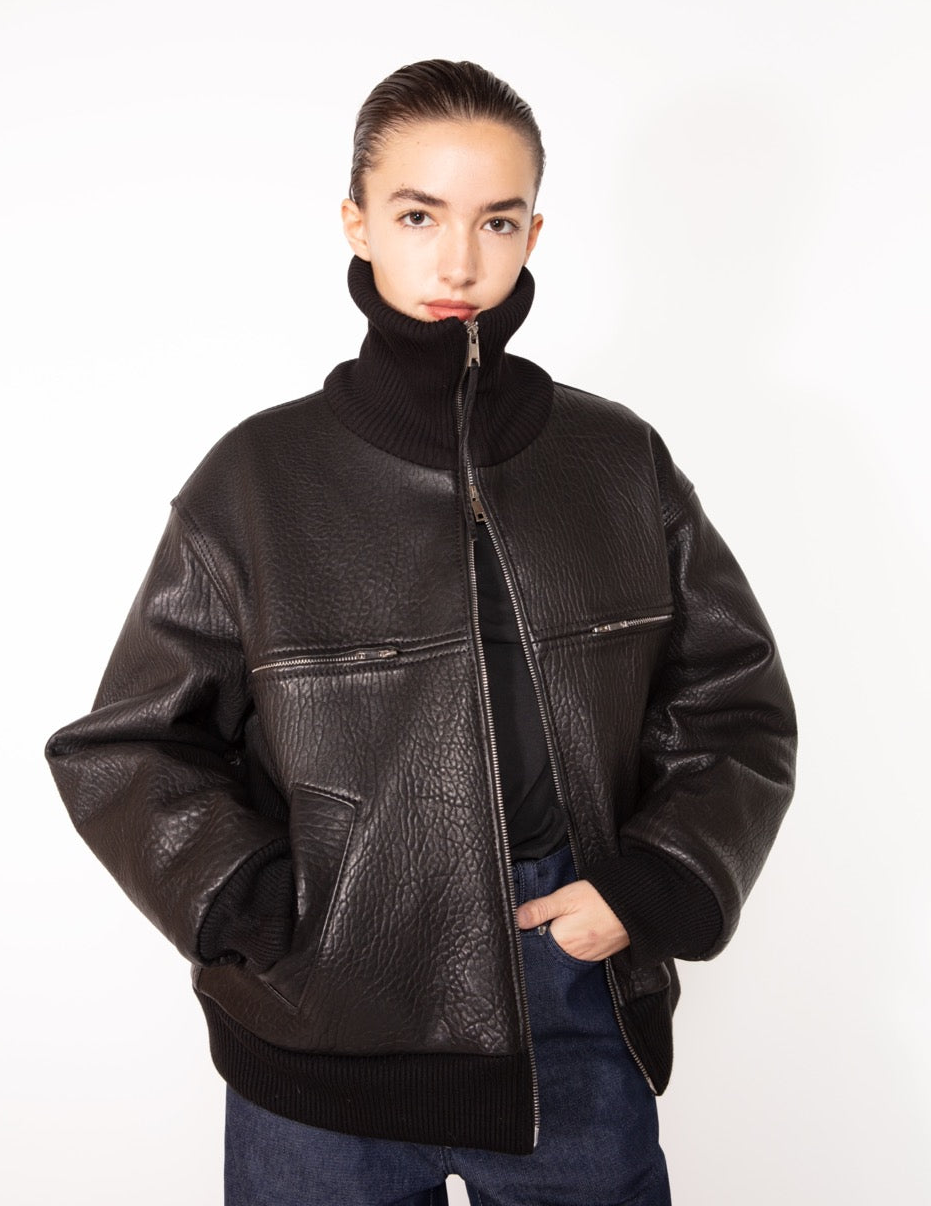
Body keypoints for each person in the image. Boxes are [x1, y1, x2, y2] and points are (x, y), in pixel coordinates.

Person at [46, 59, 797, 1206]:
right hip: (319, 1033)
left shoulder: (615, 459)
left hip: (566, 999)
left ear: (533, 232)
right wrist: (269, 908)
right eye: (417, 215)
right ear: (357, 223)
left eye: (495, 220)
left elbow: (734, 705)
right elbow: (127, 745)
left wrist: (650, 882)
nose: (458, 262)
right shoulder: (259, 477)